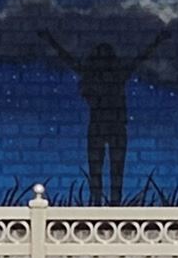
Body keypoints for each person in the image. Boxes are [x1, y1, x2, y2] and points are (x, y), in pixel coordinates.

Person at [40, 26, 171, 204]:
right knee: (109, 170)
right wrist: (158, 41)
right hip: (109, 127)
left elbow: (69, 60)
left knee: (103, 170)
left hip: (105, 127)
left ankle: (102, 204)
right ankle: (104, 205)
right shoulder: (114, 75)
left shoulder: (103, 76)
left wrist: (50, 41)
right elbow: (139, 58)